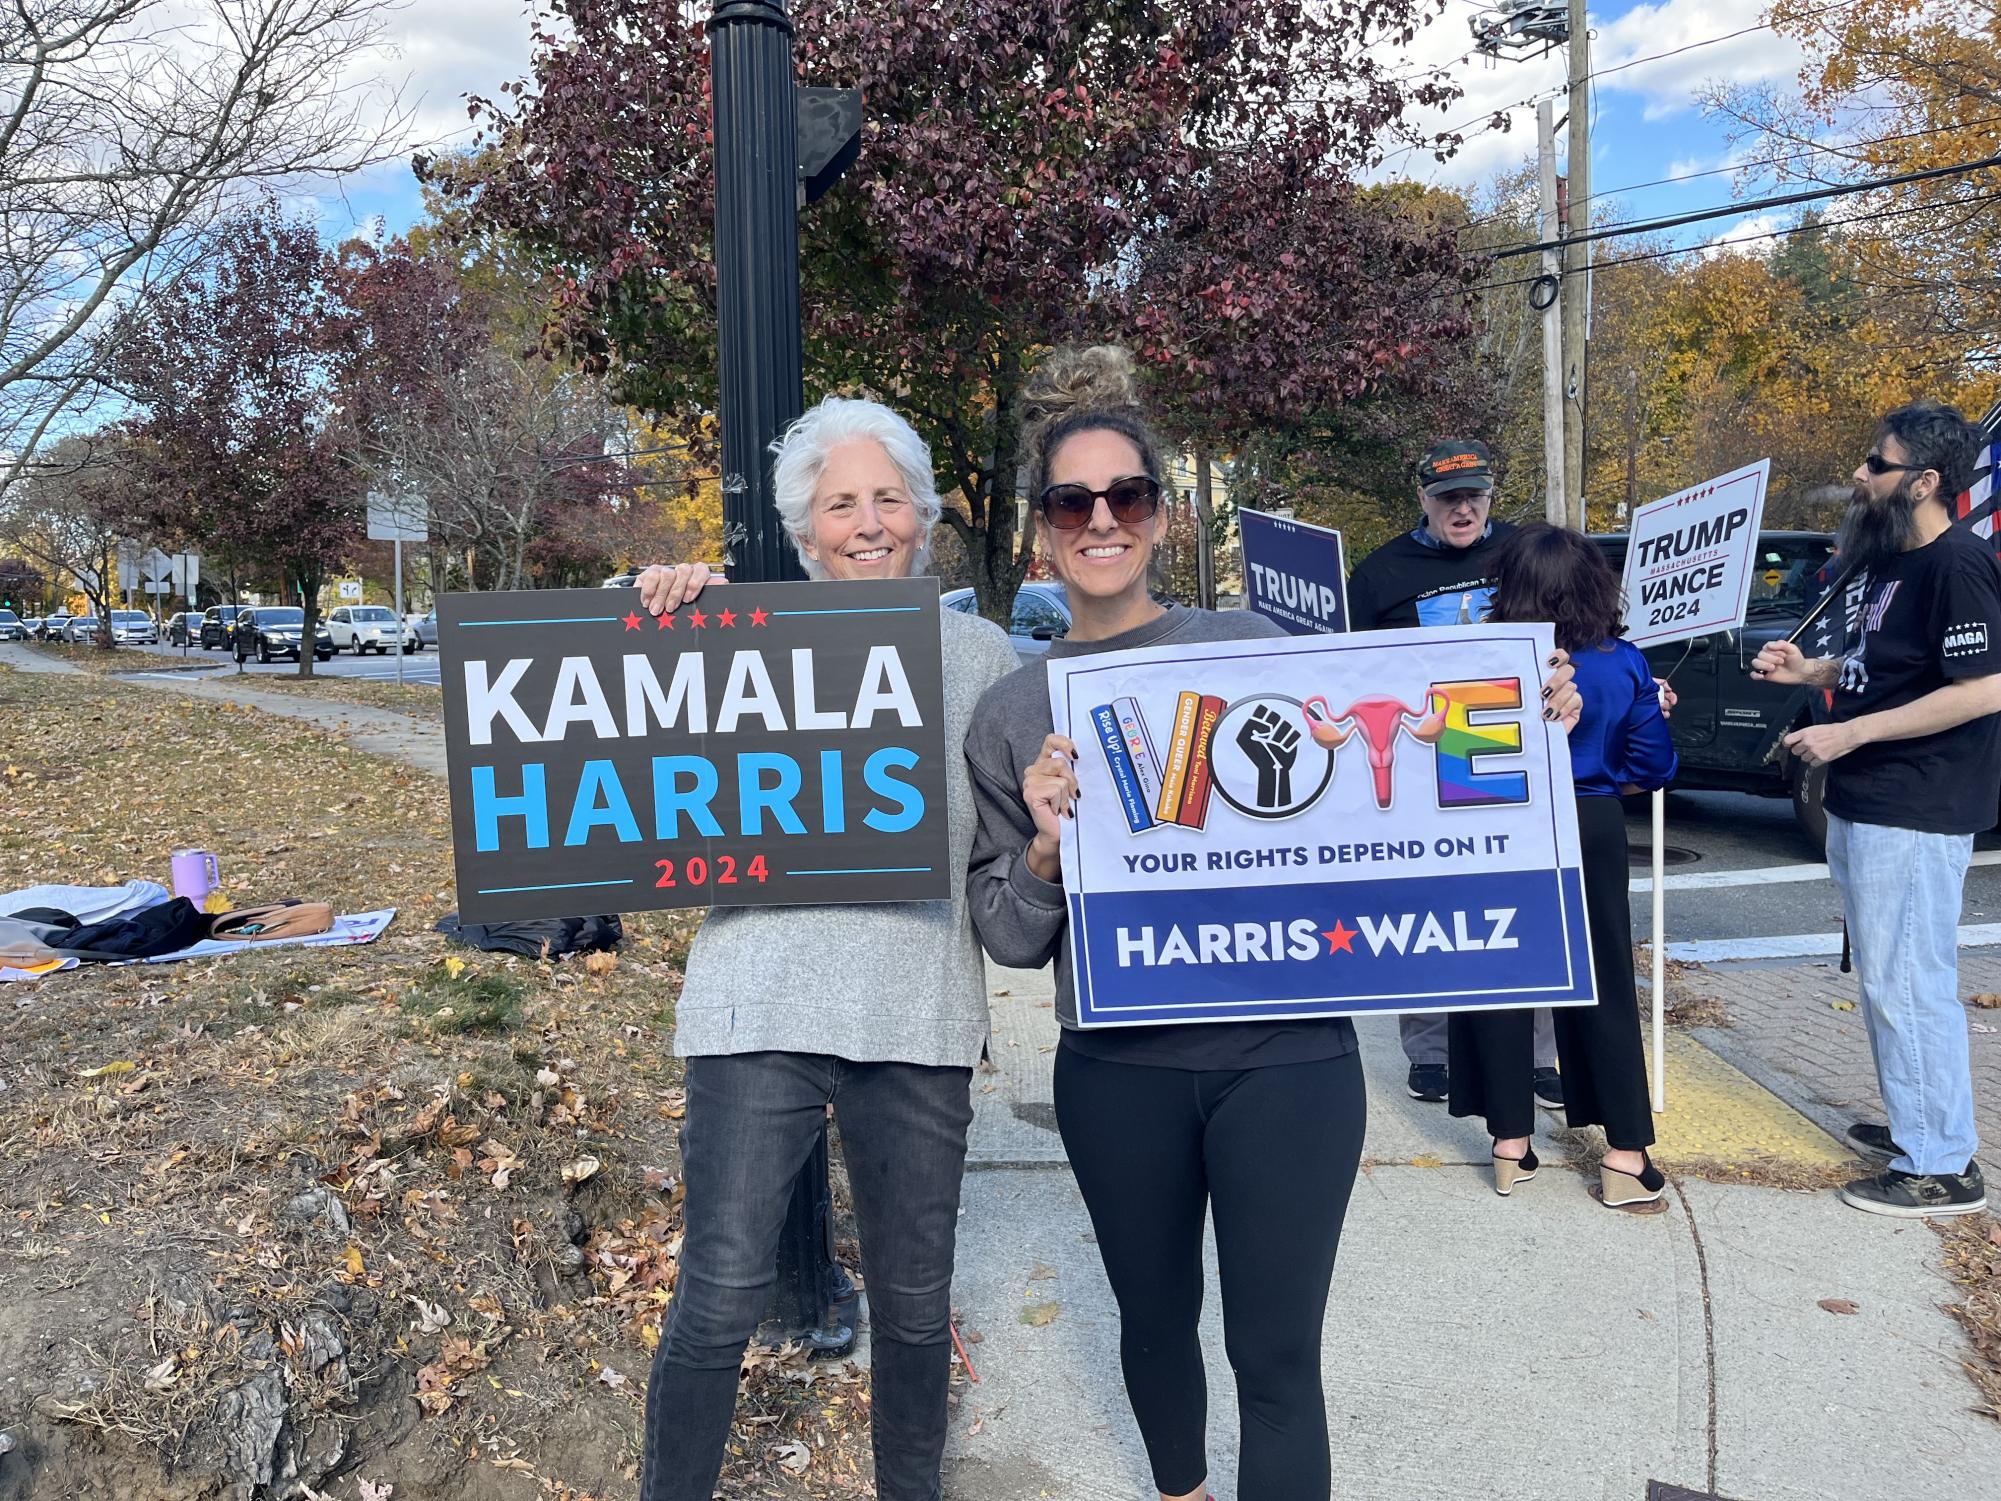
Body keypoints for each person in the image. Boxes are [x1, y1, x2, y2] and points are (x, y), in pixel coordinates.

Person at [964, 349, 1578, 1501]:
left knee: (1277, 1355)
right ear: (1040, 532)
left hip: (1289, 1062)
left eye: (1126, 497)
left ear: (1160, 514)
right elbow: (1005, 931)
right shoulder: (1010, 711)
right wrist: (1049, 848)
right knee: (1152, 1323)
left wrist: (1529, 709)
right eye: (1071, 502)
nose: (1102, 520)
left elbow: (1418, 735)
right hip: (1117, 1067)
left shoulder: (1256, 647)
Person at [633, 397, 1019, 1501]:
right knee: (717, 1294)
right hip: (757, 1005)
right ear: (804, 534)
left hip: (919, 1012)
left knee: (910, 1302)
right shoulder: (728, 633)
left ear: (924, 518)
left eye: (888, 497)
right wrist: (654, 601)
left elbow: (1018, 825)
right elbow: (598, 693)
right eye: (840, 502)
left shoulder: (981, 652)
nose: (866, 520)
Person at [1753, 401, 2001, 1218]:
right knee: (1884, 978)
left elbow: (1982, 689)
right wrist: (1807, 673)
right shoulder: (1882, 563)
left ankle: (1942, 1165)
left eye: (1875, 465)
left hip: (1917, 800)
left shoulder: (1956, 564)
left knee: (1908, 981)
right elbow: (1872, 666)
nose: (1858, 476)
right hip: (1867, 799)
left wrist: (1852, 731)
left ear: (1924, 481)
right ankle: (1917, 1123)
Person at [1448, 522, 1678, 1207]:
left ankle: (1508, 1144)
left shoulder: (1477, 658)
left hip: (1497, 818)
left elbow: (1452, 762)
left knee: (1500, 967)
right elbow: (1653, 765)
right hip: (1589, 818)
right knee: (1602, 974)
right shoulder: (1623, 661)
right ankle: (1623, 1153)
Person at [1344, 440, 1563, 1108]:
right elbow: (1346, 668)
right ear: (1422, 499)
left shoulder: (1528, 554)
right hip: (1418, 759)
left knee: (1525, 899)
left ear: (1491, 495)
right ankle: (1432, 1050)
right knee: (1425, 899)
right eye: (1446, 497)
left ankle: (1538, 1055)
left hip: (1513, 756)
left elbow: (1574, 631)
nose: (1461, 508)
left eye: (1472, 494)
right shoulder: (1381, 571)